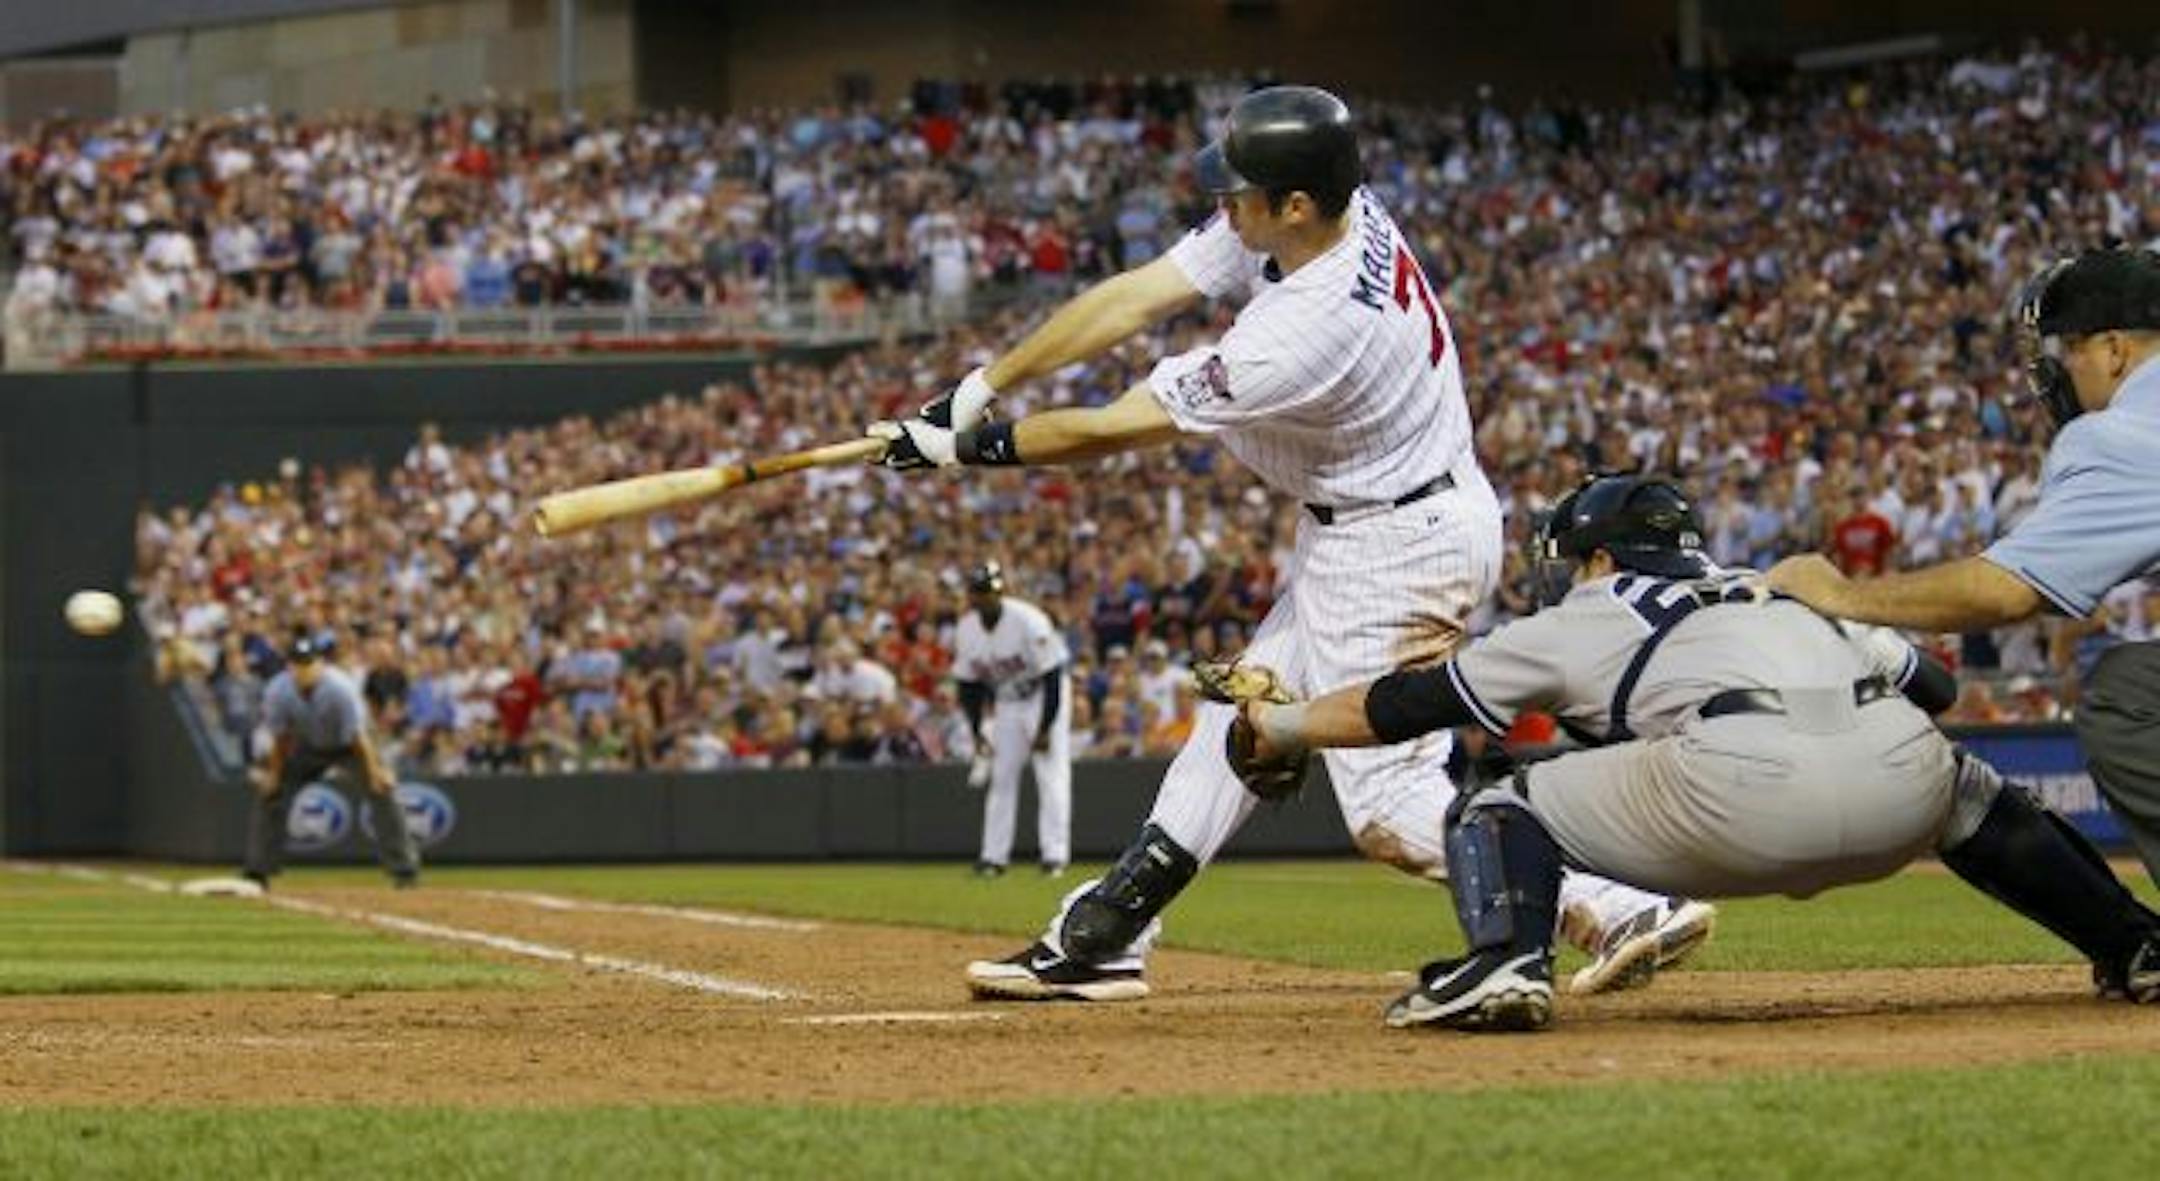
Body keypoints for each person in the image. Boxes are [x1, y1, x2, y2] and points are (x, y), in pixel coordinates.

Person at [870, 85, 1710, 1001]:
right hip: (1386, 521)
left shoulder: (1304, 330)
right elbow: (1140, 294)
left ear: (1296, 203)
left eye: (1241, 191)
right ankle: (1111, 928)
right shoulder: (1325, 211)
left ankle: (1614, 902)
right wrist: (984, 383)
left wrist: (965, 449)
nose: (1223, 205)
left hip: (1394, 546)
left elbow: (1116, 427)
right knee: (1238, 719)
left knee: (1387, 802)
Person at [1225, 475, 2159, 1029]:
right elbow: (1938, 692)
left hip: (1736, 798)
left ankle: (1508, 960)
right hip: (1897, 791)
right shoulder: (1771, 584)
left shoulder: (1589, 610)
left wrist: (1287, 726)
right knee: (1966, 783)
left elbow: (1409, 704)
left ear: (1597, 559)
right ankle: (2135, 943)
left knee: (1498, 798)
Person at [1770, 249, 2160, 889]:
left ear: (2115, 350)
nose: (2064, 374)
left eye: (2072, 353)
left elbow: (2007, 593)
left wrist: (1838, 592)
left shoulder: (2122, 430)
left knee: (2127, 691)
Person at [243, 634, 419, 890]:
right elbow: (281, 739)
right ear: (289, 667)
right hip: (306, 747)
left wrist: (375, 772)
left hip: (350, 747)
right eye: (298, 664)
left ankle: (405, 870)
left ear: (320, 664)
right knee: (271, 793)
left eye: (309, 663)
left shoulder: (340, 688)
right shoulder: (277, 691)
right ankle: (258, 870)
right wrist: (274, 774)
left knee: (382, 792)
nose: (304, 670)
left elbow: (360, 738)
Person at [951, 561, 1073, 877]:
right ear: (971, 596)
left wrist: (1045, 727)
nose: (985, 597)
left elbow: (1053, 676)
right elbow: (968, 687)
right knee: (1001, 778)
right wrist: (977, 730)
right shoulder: (966, 630)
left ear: (1001, 590)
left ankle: (1054, 856)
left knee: (1050, 775)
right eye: (979, 591)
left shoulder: (1028, 620)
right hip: (1007, 702)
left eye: (989, 590)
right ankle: (994, 858)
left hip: (1041, 696)